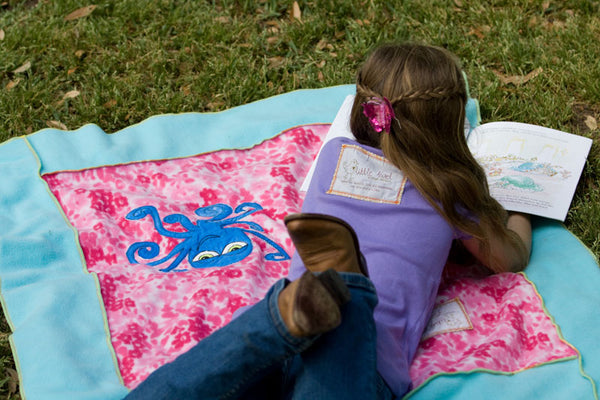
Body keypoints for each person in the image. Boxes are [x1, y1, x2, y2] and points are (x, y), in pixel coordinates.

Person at [124, 43, 531, 399]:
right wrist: (522, 211)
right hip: (366, 356)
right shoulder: (451, 188)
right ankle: (347, 297)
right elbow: (507, 258)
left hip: (293, 334)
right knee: (343, 348)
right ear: (448, 126)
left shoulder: (335, 155)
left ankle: (275, 320)